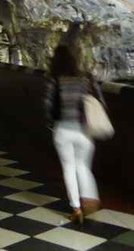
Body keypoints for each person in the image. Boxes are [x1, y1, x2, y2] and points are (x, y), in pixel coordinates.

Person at [45, 44, 107, 225]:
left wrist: (51, 125)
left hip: (62, 129)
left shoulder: (54, 79)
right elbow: (100, 101)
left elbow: (48, 106)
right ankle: (90, 201)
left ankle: (76, 208)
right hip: (84, 130)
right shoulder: (87, 78)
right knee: (83, 166)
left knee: (69, 167)